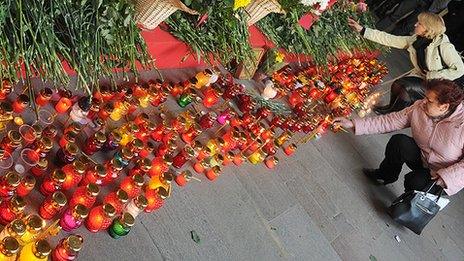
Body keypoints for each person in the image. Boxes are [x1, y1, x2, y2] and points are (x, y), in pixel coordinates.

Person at [333, 79, 464, 196]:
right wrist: (353, 124)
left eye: (429, 101)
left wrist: (447, 177)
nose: (423, 102)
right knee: (399, 142)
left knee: (414, 181)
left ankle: (408, 204)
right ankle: (385, 175)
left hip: (441, 173)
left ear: (444, 107)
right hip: (422, 157)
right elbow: (390, 121)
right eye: (425, 97)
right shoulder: (420, 107)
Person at [348, 12, 464, 115]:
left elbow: (460, 69)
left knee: (406, 88)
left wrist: (433, 75)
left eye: (419, 23)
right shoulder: (416, 40)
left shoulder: (444, 46)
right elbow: (390, 39)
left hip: (439, 86)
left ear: (428, 29)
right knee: (397, 84)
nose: (415, 25)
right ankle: (390, 108)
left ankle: (393, 114)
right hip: (424, 77)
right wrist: (363, 30)